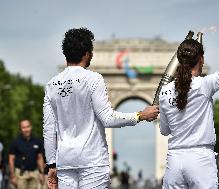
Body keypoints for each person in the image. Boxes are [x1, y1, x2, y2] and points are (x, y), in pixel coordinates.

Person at [43, 28, 159, 189]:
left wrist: (51, 164)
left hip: (65, 162)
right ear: (86, 54)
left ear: (66, 54)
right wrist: (140, 115)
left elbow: (49, 129)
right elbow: (107, 118)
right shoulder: (94, 79)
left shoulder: (51, 85)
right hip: (92, 162)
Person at [158, 12, 219, 189]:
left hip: (174, 161)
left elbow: (164, 131)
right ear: (201, 59)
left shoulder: (164, 91)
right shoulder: (205, 84)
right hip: (200, 160)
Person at [9, 120, 45, 189]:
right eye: (24, 127)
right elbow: (11, 159)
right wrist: (12, 176)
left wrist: (41, 173)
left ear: (31, 127)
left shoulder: (37, 141)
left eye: (27, 127)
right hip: (20, 174)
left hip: (34, 173)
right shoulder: (15, 142)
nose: (26, 129)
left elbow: (39, 158)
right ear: (20, 129)